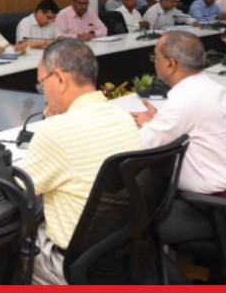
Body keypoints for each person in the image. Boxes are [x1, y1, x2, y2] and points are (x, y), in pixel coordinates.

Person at [19, 39, 144, 285]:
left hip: (68, 262)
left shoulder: (55, 131)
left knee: (3, 249)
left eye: (42, 84)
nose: (43, 93)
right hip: (117, 251)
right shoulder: (123, 117)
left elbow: (23, 187)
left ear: (60, 79)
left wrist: (52, 124)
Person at [132, 32, 226, 256]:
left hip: (213, 208)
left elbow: (142, 145)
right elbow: (184, 124)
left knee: (136, 228)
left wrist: (146, 124)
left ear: (170, 64)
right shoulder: (209, 88)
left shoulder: (185, 99)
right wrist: (157, 121)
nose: (154, 62)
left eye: (156, 57)